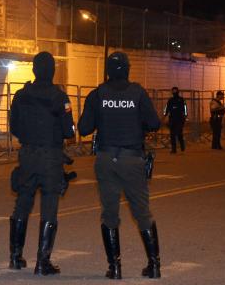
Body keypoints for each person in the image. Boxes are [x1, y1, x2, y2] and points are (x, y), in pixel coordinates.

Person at [78, 52, 162, 280]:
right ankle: (154, 266)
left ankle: (114, 268)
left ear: (107, 70)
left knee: (109, 214)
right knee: (142, 213)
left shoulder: (97, 94)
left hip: (106, 160)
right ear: (127, 69)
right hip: (132, 159)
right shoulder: (137, 92)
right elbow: (154, 123)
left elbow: (84, 128)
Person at [8, 51, 75, 276]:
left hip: (27, 154)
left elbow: (14, 126)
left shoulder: (20, 95)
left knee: (22, 203)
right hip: (50, 156)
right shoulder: (60, 97)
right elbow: (68, 130)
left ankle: (15, 257)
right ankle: (42, 262)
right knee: (49, 206)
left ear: (34, 70)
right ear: (52, 70)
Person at [163, 86, 187, 153]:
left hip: (180, 119)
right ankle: (174, 149)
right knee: (172, 134)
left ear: (178, 92)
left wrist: (185, 116)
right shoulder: (170, 100)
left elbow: (185, 108)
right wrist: (165, 115)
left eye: (175, 91)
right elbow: (166, 108)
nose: (174, 92)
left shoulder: (181, 99)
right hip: (172, 119)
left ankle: (182, 145)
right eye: (173, 91)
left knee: (179, 133)